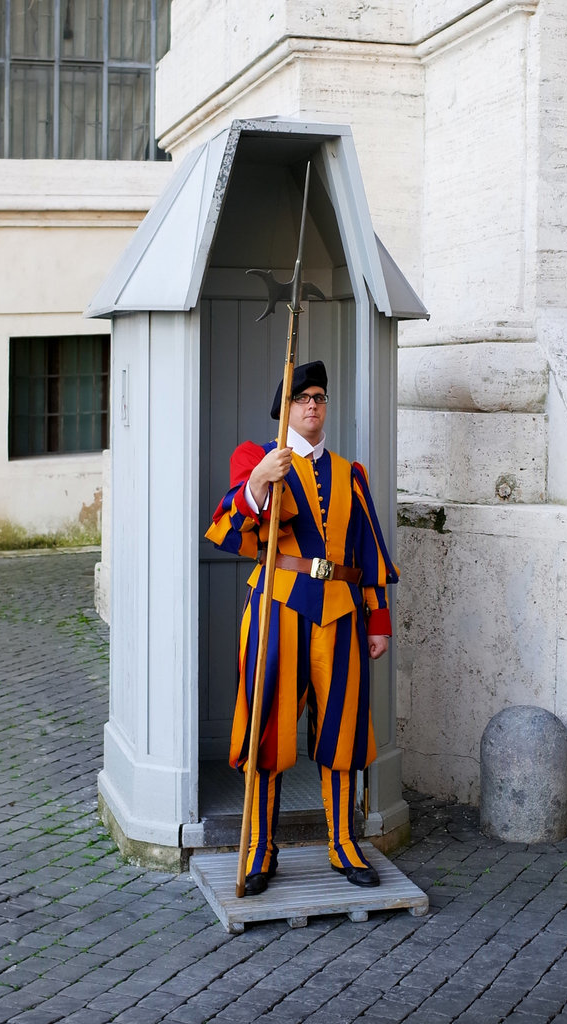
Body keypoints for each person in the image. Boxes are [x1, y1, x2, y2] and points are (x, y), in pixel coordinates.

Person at [205, 360, 399, 896]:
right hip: (279, 607)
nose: (312, 405)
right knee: (267, 729)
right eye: (302, 398)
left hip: (341, 612)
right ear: (285, 408)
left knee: (342, 730)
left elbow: (369, 552)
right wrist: (259, 482)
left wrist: (378, 620)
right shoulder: (257, 460)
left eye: (319, 397)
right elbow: (230, 531)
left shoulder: (349, 473)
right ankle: (260, 848)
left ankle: (343, 843)